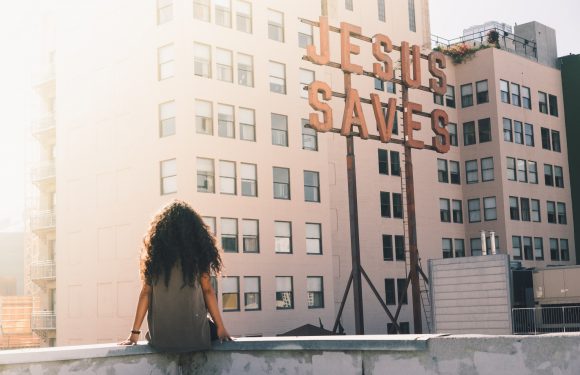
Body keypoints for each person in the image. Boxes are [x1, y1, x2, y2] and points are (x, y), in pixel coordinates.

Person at [119, 200, 232, 350]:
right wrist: (221, 329)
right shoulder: (198, 255)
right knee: (208, 327)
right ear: (194, 229)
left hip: (161, 340)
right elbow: (207, 291)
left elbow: (145, 294)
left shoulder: (154, 257)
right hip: (195, 338)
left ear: (160, 230)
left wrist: (134, 334)